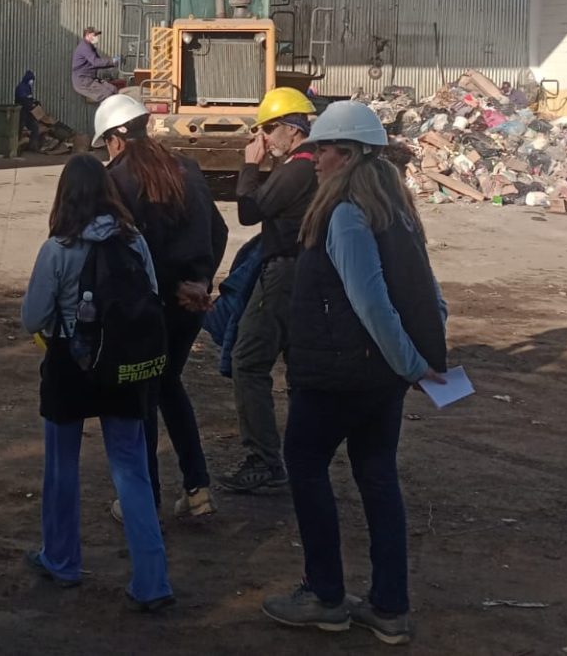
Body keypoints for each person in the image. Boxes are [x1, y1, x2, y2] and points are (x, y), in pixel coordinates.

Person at [260, 102, 448, 647]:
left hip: (340, 376)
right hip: (379, 383)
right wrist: (418, 362)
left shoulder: (345, 215)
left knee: (305, 464)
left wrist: (413, 366)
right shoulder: (399, 212)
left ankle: (325, 595)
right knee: (378, 478)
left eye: (323, 149)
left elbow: (372, 304)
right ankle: (389, 607)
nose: (314, 158)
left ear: (349, 155)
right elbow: (430, 297)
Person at [21, 155, 174, 612]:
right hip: (124, 367)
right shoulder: (134, 241)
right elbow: (151, 295)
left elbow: (32, 316)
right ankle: (153, 580)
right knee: (132, 470)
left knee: (61, 465)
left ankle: (62, 560)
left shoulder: (58, 249)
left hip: (70, 364)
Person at [94, 94, 227, 522]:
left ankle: (143, 498)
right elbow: (218, 230)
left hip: (146, 309)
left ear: (116, 137)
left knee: (142, 395)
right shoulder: (185, 168)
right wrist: (202, 281)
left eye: (106, 143)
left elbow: (113, 248)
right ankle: (197, 487)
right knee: (168, 384)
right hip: (188, 304)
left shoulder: (116, 180)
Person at [218, 87, 320, 496]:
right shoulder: (313, 165)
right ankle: (303, 454)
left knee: (248, 361)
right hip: (306, 274)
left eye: (267, 129)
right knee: (298, 367)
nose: (262, 139)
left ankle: (264, 459)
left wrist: (250, 166)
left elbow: (248, 211)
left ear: (290, 129)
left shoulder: (297, 169)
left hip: (284, 275)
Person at [71, 27, 121, 104]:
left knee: (113, 90)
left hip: (89, 79)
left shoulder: (90, 47)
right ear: (87, 35)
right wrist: (113, 61)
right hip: (83, 81)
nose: (97, 37)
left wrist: (115, 61)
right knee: (107, 94)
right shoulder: (85, 47)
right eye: (95, 35)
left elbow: (99, 63)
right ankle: (105, 115)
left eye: (97, 35)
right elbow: (96, 62)